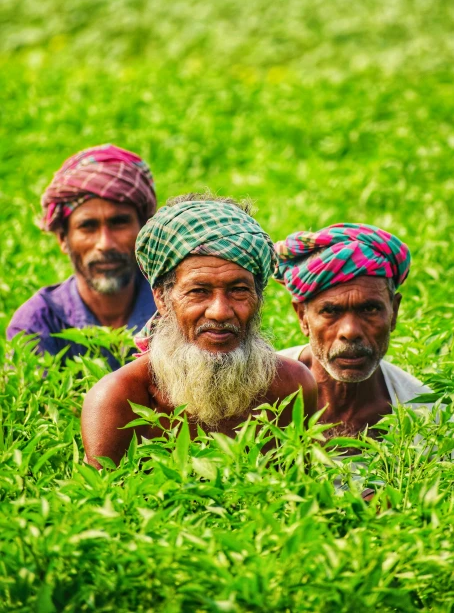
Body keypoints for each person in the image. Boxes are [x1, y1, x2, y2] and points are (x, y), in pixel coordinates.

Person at [81, 194, 317, 468]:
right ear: (162, 298)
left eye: (239, 290)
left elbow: (297, 494)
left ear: (258, 297)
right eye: (198, 291)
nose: (220, 311)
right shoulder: (119, 399)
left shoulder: (290, 386)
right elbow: (100, 503)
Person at [274, 223, 432, 439]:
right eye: (330, 311)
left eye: (369, 309)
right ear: (303, 316)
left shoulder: (426, 413)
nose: (350, 331)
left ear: (393, 312)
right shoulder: (257, 394)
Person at [7, 144, 157, 369]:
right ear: (62, 239)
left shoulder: (173, 309)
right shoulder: (37, 324)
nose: (105, 244)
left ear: (144, 230)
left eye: (119, 223)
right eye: (88, 226)